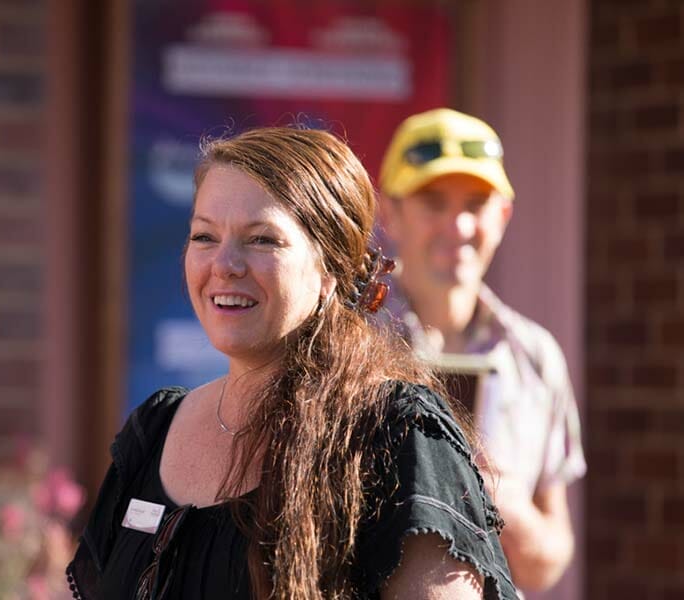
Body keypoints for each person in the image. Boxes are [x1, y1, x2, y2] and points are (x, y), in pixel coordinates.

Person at [66, 126, 519, 599]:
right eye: (204, 236)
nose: (224, 264)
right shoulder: (154, 431)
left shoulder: (396, 435)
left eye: (262, 239)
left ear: (331, 270)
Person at [376, 108, 586, 593]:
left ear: (504, 216)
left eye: (476, 203)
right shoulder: (344, 342)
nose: (459, 225)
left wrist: (500, 501)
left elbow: (549, 562)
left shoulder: (535, 356)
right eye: (433, 202)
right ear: (390, 212)